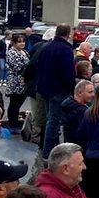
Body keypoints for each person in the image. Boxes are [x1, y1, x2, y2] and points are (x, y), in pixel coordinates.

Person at [38, 25, 78, 160]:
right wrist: (71, 87)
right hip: (59, 89)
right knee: (54, 122)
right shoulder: (66, 50)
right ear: (68, 34)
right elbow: (68, 73)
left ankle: (51, 150)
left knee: (51, 120)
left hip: (45, 89)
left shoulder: (46, 47)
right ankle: (48, 153)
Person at [4, 34, 29, 130]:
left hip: (23, 81)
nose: (22, 43)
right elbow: (17, 67)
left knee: (18, 104)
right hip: (15, 81)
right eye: (19, 41)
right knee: (14, 104)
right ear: (14, 43)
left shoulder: (25, 52)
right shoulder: (11, 53)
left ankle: (15, 122)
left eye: (23, 41)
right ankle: (12, 124)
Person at [61, 80, 94, 145]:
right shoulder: (82, 112)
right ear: (80, 93)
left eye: (93, 91)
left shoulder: (67, 105)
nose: (93, 94)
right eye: (90, 92)